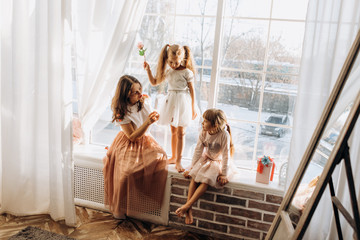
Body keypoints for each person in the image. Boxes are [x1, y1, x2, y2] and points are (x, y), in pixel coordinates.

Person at [103, 75, 168, 219]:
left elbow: (153, 119)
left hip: (145, 139)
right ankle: (119, 209)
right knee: (126, 174)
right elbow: (132, 136)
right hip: (128, 142)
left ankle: (142, 203)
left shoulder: (142, 102)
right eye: (135, 92)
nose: (140, 94)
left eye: (140, 89)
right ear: (126, 95)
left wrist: (152, 113)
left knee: (160, 157)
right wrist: (147, 123)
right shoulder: (121, 110)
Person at [144, 44, 197, 173]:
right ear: (167, 59)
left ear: (182, 59)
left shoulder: (187, 72)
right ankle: (173, 157)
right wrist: (148, 70)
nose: (173, 65)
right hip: (171, 101)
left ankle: (179, 160)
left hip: (183, 102)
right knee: (173, 131)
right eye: (170, 62)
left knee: (181, 132)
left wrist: (193, 106)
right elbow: (154, 82)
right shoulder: (168, 71)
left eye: (176, 62)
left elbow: (192, 91)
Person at [175, 108, 234, 224]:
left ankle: (186, 206)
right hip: (205, 158)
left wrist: (223, 174)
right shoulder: (203, 132)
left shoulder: (224, 135)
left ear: (215, 125)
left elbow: (226, 155)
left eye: (206, 121)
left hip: (217, 161)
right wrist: (192, 167)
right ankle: (188, 209)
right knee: (194, 178)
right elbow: (198, 150)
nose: (202, 123)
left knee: (206, 181)